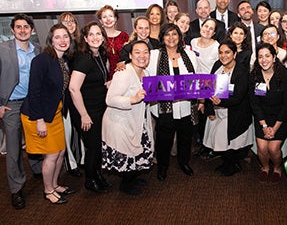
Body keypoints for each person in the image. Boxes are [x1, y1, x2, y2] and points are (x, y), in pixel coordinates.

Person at [21, 23, 75, 205]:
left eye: (65, 36)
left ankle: (55, 184)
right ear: (51, 40)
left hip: (55, 113)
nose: (62, 40)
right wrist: (40, 120)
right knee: (51, 154)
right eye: (58, 37)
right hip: (39, 115)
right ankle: (48, 190)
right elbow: (34, 91)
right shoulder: (42, 60)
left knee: (60, 152)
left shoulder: (64, 60)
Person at [146, 24, 198, 181]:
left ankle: (184, 162)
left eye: (174, 34)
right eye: (167, 34)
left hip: (186, 106)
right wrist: (122, 63)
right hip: (164, 107)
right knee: (164, 139)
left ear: (180, 37)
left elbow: (196, 78)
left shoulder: (190, 54)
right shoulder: (154, 55)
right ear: (162, 37)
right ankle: (162, 167)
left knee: (185, 137)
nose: (171, 38)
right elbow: (140, 66)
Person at [0, 14, 41, 209]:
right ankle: (16, 188)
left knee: (36, 138)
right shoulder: (3, 49)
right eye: (18, 27)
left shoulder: (38, 50)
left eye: (26, 27)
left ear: (32, 30)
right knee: (14, 147)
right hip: (12, 104)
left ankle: (38, 170)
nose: (23, 30)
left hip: (33, 102)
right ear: (12, 30)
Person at [102, 41, 153, 195]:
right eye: (137, 52)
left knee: (140, 149)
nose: (142, 56)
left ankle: (132, 178)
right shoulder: (123, 73)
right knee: (127, 154)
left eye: (145, 52)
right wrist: (132, 99)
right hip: (120, 122)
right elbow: (110, 99)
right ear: (130, 55)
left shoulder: (147, 74)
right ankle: (126, 183)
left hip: (137, 119)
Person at [69, 21, 111, 193]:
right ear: (85, 38)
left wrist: (107, 83)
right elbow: (73, 88)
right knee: (93, 146)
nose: (95, 38)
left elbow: (97, 79)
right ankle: (90, 179)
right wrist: (84, 115)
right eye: (91, 35)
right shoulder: (83, 59)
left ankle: (97, 174)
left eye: (98, 34)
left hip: (99, 107)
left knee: (98, 145)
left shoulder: (100, 55)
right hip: (86, 110)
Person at [203, 41, 253, 176]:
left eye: (227, 52)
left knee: (231, 142)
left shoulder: (242, 71)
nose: (223, 55)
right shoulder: (217, 66)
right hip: (218, 110)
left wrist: (221, 102)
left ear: (234, 54)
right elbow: (209, 89)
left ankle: (233, 165)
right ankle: (227, 163)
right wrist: (210, 109)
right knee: (219, 141)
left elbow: (239, 97)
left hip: (235, 113)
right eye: (221, 52)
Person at [250, 43, 287, 183]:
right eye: (260, 57)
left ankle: (277, 168)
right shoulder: (254, 76)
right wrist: (264, 126)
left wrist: (274, 128)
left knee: (274, 148)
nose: (264, 60)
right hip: (262, 117)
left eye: (267, 56)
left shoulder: (285, 74)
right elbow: (254, 104)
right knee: (262, 148)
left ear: (274, 57)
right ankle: (264, 167)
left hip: (281, 117)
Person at [190, 18, 220, 158]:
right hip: (194, 84)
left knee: (210, 116)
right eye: (206, 26)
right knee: (197, 117)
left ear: (214, 33)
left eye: (211, 28)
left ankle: (211, 146)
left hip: (210, 84)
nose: (207, 29)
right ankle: (200, 143)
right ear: (201, 27)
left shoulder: (216, 46)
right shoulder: (193, 42)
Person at [57, 12, 82, 177]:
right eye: (65, 21)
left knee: (79, 129)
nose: (69, 23)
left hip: (80, 93)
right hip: (64, 96)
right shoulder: (59, 47)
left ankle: (81, 160)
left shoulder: (80, 45)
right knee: (67, 131)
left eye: (72, 21)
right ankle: (71, 164)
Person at [96, 5, 128, 79]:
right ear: (100, 21)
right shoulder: (97, 38)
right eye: (104, 17)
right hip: (103, 76)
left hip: (122, 74)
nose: (108, 19)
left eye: (110, 16)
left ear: (115, 18)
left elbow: (128, 56)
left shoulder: (124, 36)